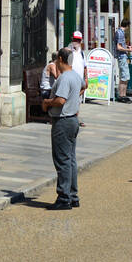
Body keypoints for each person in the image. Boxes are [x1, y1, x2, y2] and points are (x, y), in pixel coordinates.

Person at [42, 47, 83, 209]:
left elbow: (60, 100)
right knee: (71, 159)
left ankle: (64, 197)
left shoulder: (65, 78)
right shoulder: (76, 75)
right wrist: (75, 99)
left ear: (60, 59)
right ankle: (73, 195)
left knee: (63, 160)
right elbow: (83, 86)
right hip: (73, 119)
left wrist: (47, 103)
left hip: (63, 120)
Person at [114, 19, 132, 103]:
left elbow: (121, 46)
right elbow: (119, 47)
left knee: (124, 77)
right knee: (124, 77)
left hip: (122, 56)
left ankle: (123, 95)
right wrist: (128, 50)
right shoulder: (120, 33)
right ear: (127, 25)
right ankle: (121, 95)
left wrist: (128, 47)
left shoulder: (119, 32)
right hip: (122, 57)